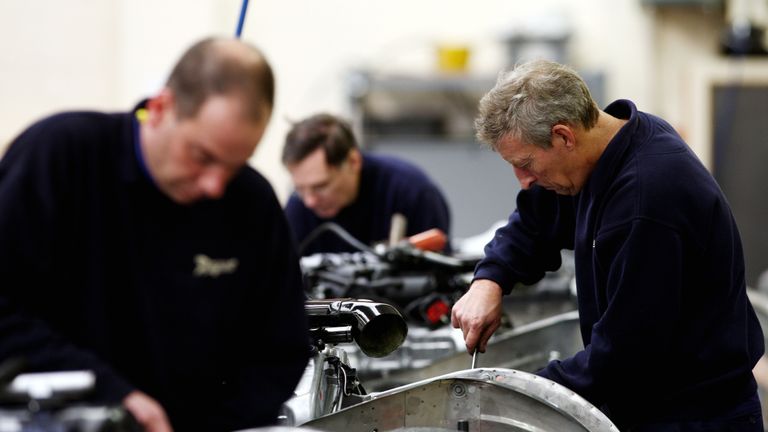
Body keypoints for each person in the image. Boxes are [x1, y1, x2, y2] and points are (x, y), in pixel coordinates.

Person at [0, 37, 310, 432]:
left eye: (234, 166)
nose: (215, 186)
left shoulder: (251, 203)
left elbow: (280, 347)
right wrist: (108, 395)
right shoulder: (60, 158)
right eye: (202, 157)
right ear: (161, 107)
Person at [450, 59, 764, 430]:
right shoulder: (603, 150)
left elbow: (625, 358)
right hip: (648, 404)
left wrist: (509, 396)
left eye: (527, 163)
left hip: (695, 417)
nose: (524, 180)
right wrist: (490, 280)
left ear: (564, 136)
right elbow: (536, 222)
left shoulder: (646, 201)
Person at [282, 113, 451, 255]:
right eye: (300, 189)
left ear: (353, 161)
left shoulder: (412, 194)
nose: (310, 201)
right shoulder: (298, 207)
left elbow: (441, 279)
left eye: (321, 186)